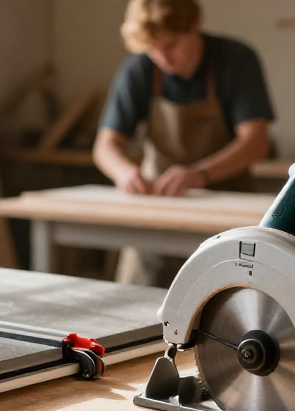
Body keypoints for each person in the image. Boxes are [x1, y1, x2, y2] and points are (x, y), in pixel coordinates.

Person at [93, 0, 276, 283]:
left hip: (226, 216)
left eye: (171, 45)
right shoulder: (139, 69)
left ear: (195, 25)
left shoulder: (235, 60)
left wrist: (200, 173)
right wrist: (125, 172)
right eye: (152, 49)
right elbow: (105, 146)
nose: (162, 58)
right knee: (136, 307)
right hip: (158, 213)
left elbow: (256, 141)